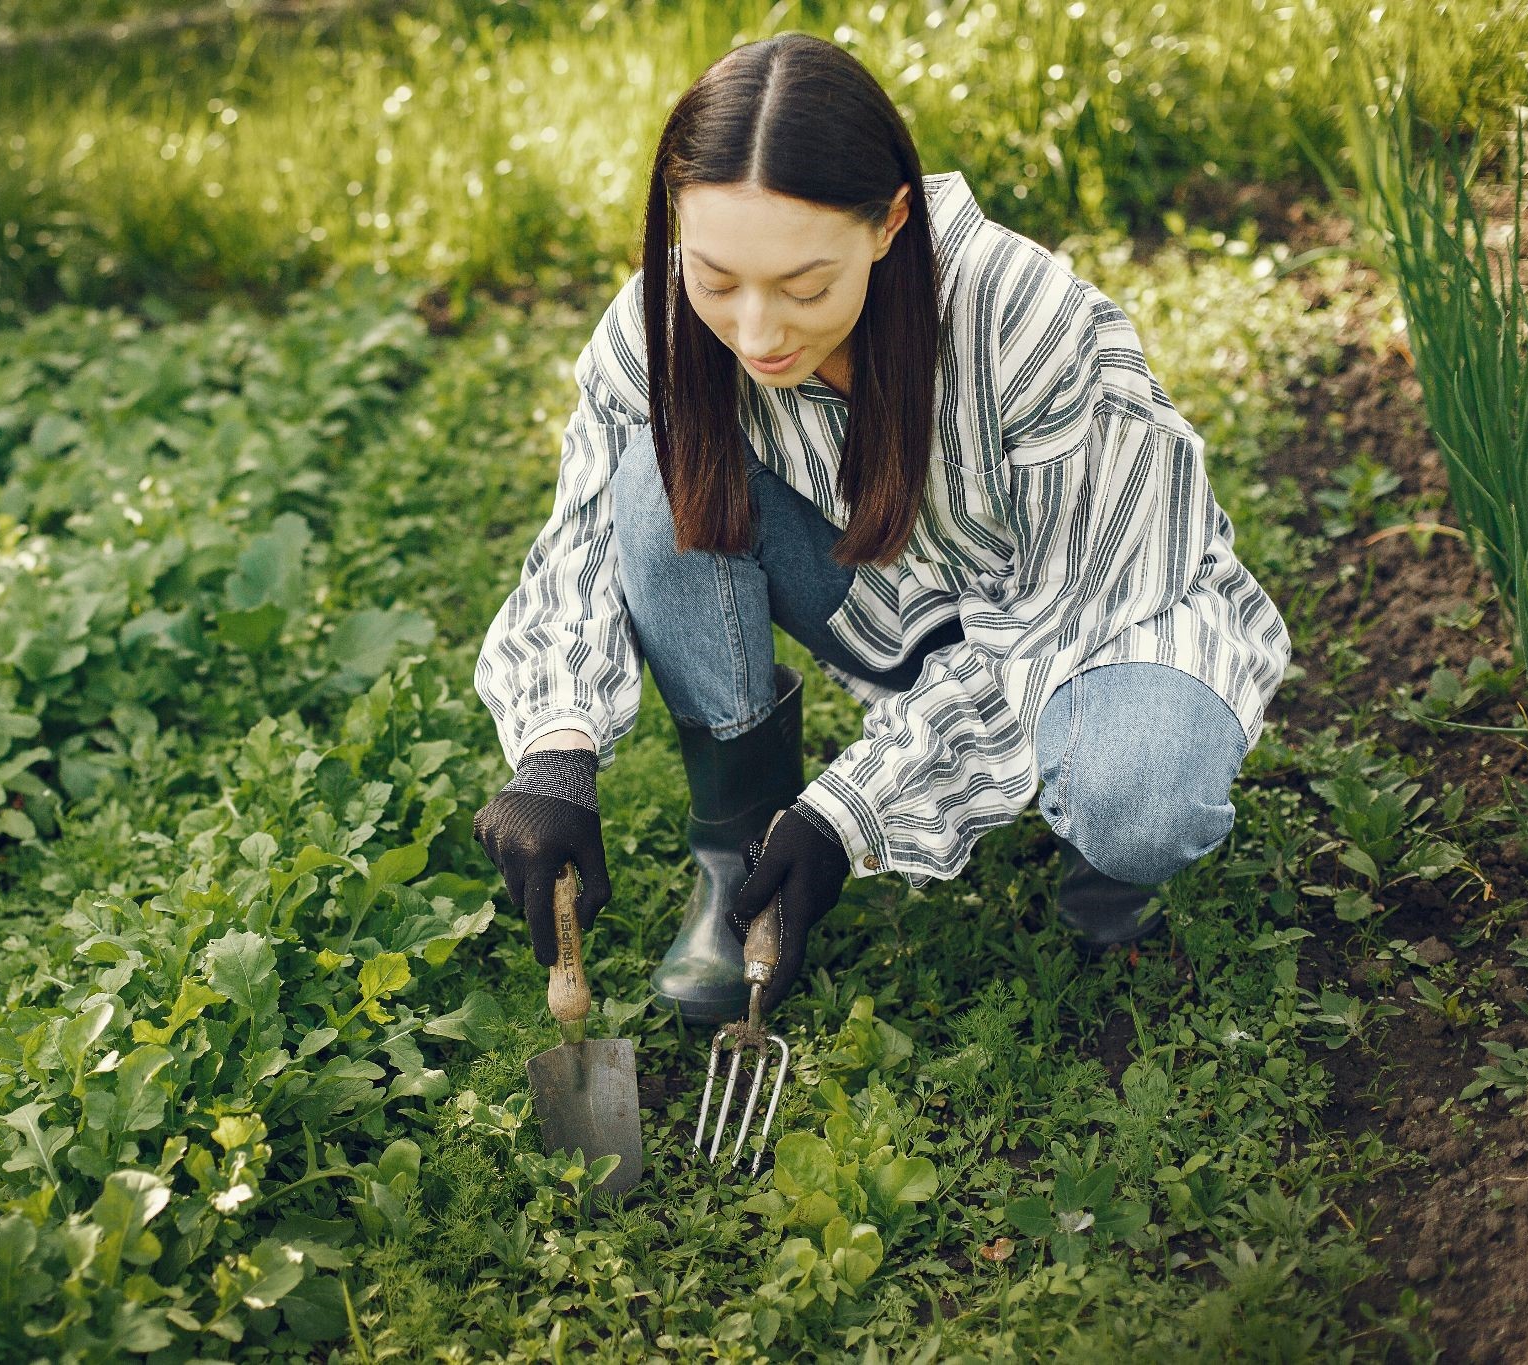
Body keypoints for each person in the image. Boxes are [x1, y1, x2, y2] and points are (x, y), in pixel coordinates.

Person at [469, 32, 1290, 1024]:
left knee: (1138, 799)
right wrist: (554, 752)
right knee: (652, 475)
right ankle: (740, 860)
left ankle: (1098, 858)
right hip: (890, 603)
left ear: (891, 221)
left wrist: (841, 810)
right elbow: (582, 538)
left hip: (1098, 622)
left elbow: (1050, 623)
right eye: (719, 279)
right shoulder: (662, 320)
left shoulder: (1023, 322)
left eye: (805, 287)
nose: (759, 333)